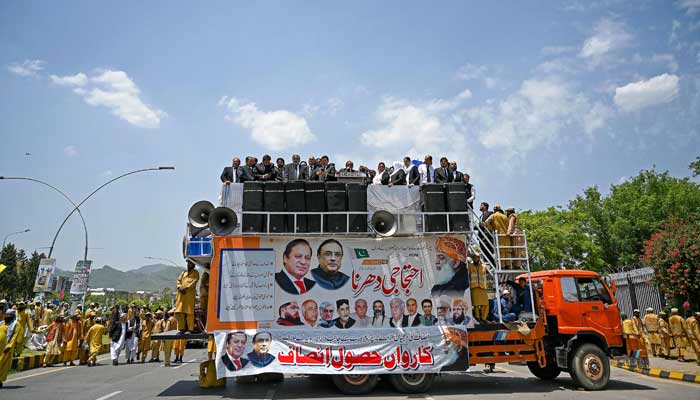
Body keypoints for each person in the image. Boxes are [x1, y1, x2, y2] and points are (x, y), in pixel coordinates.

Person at [176, 260, 200, 333]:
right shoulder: (183, 273)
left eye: (190, 263)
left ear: (193, 265)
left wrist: (186, 288)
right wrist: (179, 287)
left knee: (189, 313)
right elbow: (178, 281)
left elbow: (194, 281)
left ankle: (190, 329)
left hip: (189, 296)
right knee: (179, 312)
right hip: (181, 296)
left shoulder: (196, 273)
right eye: (188, 263)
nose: (188, 265)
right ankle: (182, 329)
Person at [0, 309, 19, 387]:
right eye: (7, 314)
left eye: (9, 315)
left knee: (2, 364)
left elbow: (15, 336)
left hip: (5, 348)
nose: (7, 316)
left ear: (13, 316)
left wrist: (9, 346)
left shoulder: (16, 324)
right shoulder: (1, 323)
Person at [469, 253, 489, 322]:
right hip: (474, 287)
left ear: (479, 258)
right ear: (472, 258)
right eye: (474, 257)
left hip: (483, 287)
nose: (476, 259)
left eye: (477, 257)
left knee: (486, 304)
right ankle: (477, 318)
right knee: (476, 304)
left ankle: (484, 318)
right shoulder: (469, 266)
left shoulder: (484, 266)